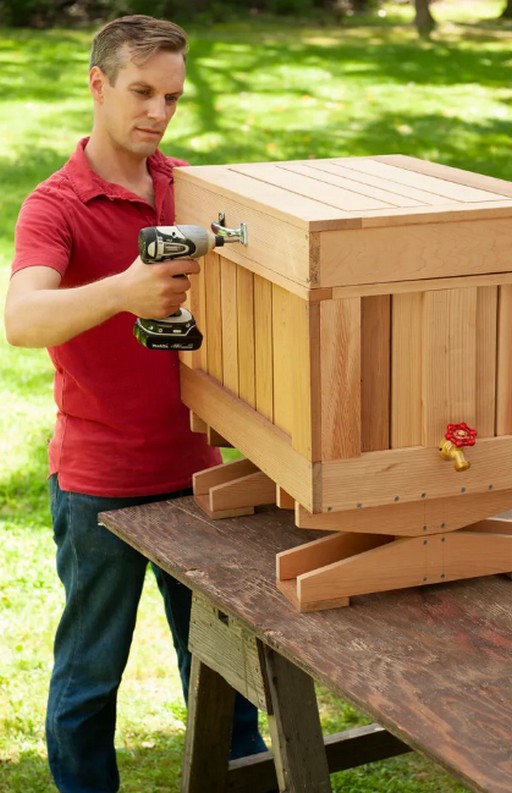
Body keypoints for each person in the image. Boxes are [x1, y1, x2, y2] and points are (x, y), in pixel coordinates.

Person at [4, 15, 267, 793]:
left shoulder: (189, 190)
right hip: (99, 484)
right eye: (142, 91)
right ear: (98, 84)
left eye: (173, 97)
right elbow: (21, 319)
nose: (157, 112)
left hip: (194, 471)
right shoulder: (53, 205)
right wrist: (122, 289)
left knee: (228, 681)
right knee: (90, 679)